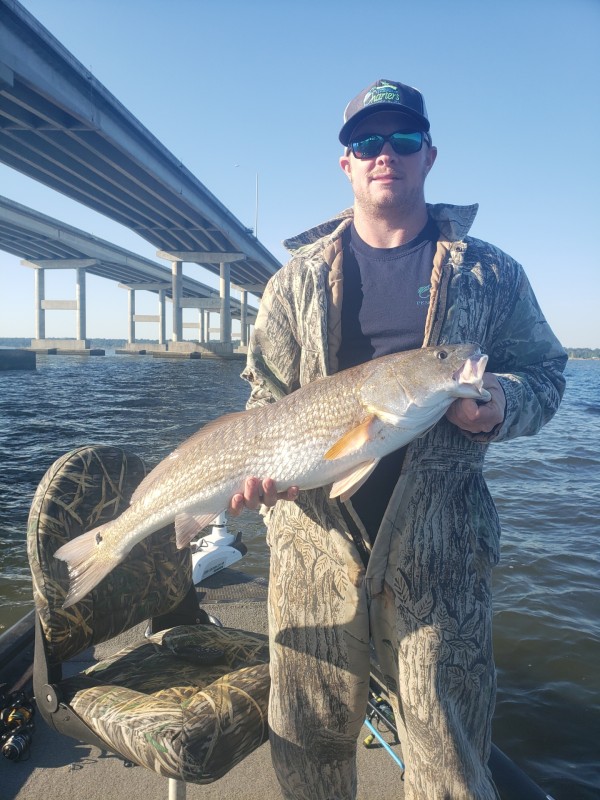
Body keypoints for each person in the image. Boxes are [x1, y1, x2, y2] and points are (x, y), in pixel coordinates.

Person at [229, 79, 567, 800]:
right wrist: (256, 472)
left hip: (443, 565)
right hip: (310, 559)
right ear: (346, 164)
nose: (386, 153)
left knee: (450, 769)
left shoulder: (493, 273)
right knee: (310, 758)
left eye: (404, 139)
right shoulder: (292, 284)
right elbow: (263, 395)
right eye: (367, 142)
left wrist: (504, 401)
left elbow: (547, 370)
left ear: (429, 155)